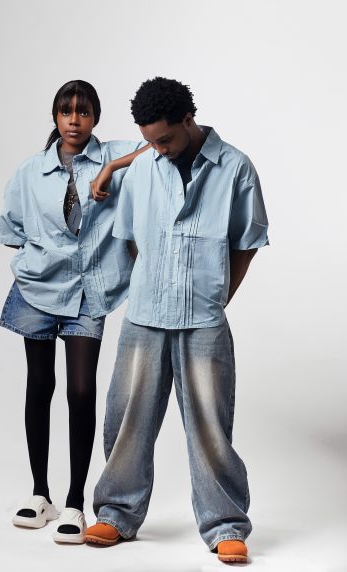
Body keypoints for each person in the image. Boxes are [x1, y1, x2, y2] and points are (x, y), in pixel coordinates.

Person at [86, 77, 269, 564]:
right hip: (144, 315)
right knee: (127, 417)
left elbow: (247, 243)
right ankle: (116, 513)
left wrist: (217, 295)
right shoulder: (143, 169)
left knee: (210, 425)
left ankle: (225, 524)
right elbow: (130, 238)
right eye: (150, 142)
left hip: (203, 319)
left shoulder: (236, 168)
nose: (159, 149)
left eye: (165, 139)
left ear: (189, 120)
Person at [0, 80, 147, 544]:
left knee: (81, 392)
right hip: (37, 290)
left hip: (87, 292)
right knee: (39, 385)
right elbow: (12, 229)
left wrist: (111, 169)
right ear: (56, 117)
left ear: (95, 117)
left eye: (83, 112)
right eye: (66, 112)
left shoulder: (113, 156)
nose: (74, 121)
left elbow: (160, 146)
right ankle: (39, 493)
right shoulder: (30, 170)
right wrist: (38, 259)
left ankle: (76, 501)